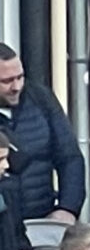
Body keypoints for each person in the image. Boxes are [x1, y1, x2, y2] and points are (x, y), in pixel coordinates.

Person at [0, 43, 83, 226]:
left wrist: (68, 208)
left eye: (20, 77)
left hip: (42, 215)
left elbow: (70, 157)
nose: (16, 87)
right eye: (7, 81)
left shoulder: (40, 98)